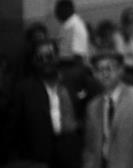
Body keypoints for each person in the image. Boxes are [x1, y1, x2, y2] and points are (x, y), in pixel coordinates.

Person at [7, 38, 82, 168]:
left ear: (57, 57)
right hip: (38, 157)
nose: (45, 61)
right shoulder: (24, 90)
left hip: (71, 152)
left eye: (49, 56)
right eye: (39, 58)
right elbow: (14, 127)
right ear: (34, 62)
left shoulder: (72, 82)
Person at [83, 52, 133, 168]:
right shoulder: (93, 106)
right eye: (99, 69)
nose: (105, 73)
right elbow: (90, 149)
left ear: (121, 70)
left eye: (111, 68)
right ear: (94, 74)